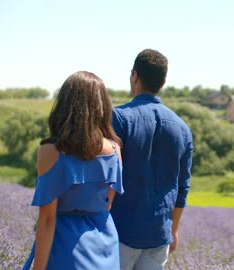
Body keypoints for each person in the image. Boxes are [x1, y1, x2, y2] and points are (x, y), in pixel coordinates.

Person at [22, 71, 123, 270]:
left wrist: (38, 268)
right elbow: (107, 204)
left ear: (64, 105)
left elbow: (48, 218)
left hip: (64, 249)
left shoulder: (50, 152)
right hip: (105, 249)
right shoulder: (114, 149)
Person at [111, 49, 193, 270]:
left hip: (120, 231)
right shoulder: (183, 129)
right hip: (159, 235)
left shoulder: (118, 118)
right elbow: (183, 187)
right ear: (163, 82)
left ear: (134, 76)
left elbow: (105, 175)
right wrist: (173, 230)